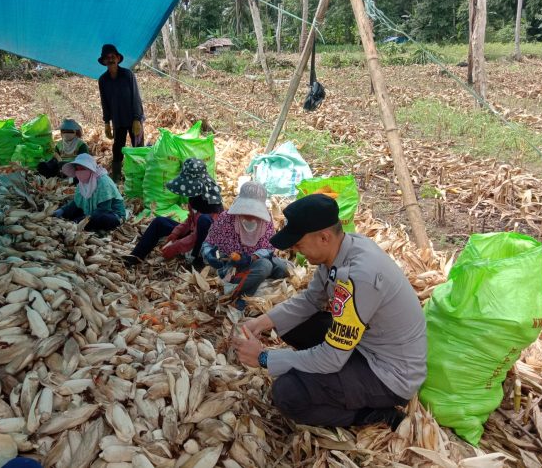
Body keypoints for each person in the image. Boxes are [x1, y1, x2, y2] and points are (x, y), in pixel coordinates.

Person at [232, 194, 427, 429]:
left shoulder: (360, 276)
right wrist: (262, 322)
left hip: (388, 374)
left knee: (288, 393)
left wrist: (264, 358)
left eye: (299, 244)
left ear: (323, 237)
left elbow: (333, 358)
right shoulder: (340, 251)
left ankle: (374, 415)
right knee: (294, 324)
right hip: (364, 344)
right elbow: (310, 300)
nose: (297, 251)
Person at [201, 181, 289, 309]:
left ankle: (252, 279)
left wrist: (250, 258)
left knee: (281, 267)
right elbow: (208, 243)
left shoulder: (266, 220)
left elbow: (269, 248)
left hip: (254, 260)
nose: (250, 214)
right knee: (265, 266)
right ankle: (239, 296)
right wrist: (209, 255)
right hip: (232, 267)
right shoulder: (226, 218)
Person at [124, 158, 223, 269]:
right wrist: (176, 233)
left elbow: (198, 233)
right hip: (193, 232)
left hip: (207, 241)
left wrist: (176, 246)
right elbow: (190, 220)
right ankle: (135, 256)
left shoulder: (212, 202)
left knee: (203, 221)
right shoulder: (195, 194)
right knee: (159, 222)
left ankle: (197, 261)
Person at [98, 44, 145, 182]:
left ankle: (140, 175)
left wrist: (137, 118)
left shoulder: (127, 75)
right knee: (118, 148)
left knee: (138, 147)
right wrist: (107, 122)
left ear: (118, 58)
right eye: (107, 58)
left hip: (133, 118)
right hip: (118, 120)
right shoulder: (103, 80)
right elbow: (104, 102)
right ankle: (117, 176)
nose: (111, 60)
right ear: (104, 61)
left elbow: (136, 97)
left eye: (113, 56)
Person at [53, 154, 125, 232]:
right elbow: (77, 203)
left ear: (90, 169)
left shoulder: (103, 181)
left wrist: (79, 221)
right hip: (92, 212)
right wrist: (62, 210)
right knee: (72, 212)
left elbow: (103, 209)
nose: (79, 172)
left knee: (100, 218)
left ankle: (84, 225)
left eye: (82, 168)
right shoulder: (82, 183)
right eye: (77, 169)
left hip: (112, 214)